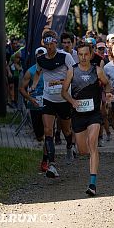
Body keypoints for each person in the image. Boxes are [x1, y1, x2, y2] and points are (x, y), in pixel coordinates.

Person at [61, 41, 111, 196]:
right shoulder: (72, 71)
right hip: (78, 114)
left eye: (86, 54)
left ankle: (92, 184)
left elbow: (107, 84)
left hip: (93, 114)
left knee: (93, 144)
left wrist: (107, 94)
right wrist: (72, 101)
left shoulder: (97, 71)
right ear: (78, 55)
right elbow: (64, 92)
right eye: (80, 54)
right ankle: (82, 152)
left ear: (91, 55)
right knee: (83, 150)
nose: (83, 57)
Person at [32, 30, 75, 177]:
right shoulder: (41, 59)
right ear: (44, 44)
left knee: (66, 130)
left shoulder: (65, 57)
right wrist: (33, 85)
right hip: (48, 98)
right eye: (47, 44)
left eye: (52, 44)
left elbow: (73, 73)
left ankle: (70, 145)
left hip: (63, 99)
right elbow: (38, 72)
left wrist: (63, 82)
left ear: (56, 43)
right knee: (48, 130)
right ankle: (52, 164)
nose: (50, 47)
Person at [19, 47, 46, 142]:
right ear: (35, 57)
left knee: (48, 129)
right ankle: (41, 142)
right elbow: (21, 88)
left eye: (43, 56)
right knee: (38, 133)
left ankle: (47, 149)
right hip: (35, 104)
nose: (40, 58)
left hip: (49, 103)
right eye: (38, 57)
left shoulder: (51, 69)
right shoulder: (31, 71)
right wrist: (30, 99)